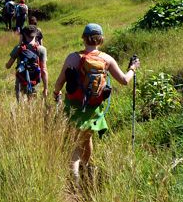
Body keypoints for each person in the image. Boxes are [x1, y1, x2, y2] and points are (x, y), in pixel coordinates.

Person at [53, 23, 140, 187]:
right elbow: (124, 80)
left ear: (83, 38)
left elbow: (59, 83)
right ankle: (86, 171)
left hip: (74, 106)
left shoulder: (73, 58)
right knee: (86, 138)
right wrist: (133, 68)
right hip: (94, 109)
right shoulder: (107, 59)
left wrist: (56, 93)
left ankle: (76, 182)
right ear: (101, 39)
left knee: (75, 145)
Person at [6, 25, 48, 102]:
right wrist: (45, 88)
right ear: (36, 34)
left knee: (21, 106)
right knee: (32, 104)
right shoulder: (42, 49)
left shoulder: (18, 48)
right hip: (34, 82)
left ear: (24, 35)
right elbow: (44, 70)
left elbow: (8, 66)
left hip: (20, 81)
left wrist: (19, 43)